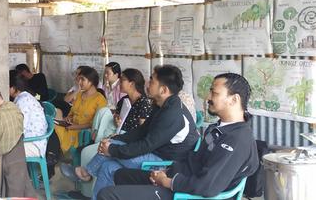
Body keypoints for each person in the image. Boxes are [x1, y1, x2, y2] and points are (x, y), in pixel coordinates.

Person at [99, 73, 259, 200]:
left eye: (214, 93)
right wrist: (164, 171)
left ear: (234, 100)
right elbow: (194, 161)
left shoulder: (237, 140)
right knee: (115, 172)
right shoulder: (217, 128)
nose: (208, 98)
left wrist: (167, 181)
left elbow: (208, 186)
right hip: (177, 177)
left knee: (107, 195)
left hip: (187, 194)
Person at [74, 65, 199, 200]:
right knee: (107, 166)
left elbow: (147, 144)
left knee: (110, 147)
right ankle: (89, 180)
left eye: (152, 81)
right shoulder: (162, 104)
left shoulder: (173, 114)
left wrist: (112, 149)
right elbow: (142, 131)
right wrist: (118, 138)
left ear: (163, 90)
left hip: (164, 163)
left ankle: (86, 172)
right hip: (156, 152)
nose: (147, 83)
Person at [60, 68, 154, 184]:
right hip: (118, 135)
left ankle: (84, 174)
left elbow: (143, 130)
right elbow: (116, 118)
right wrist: (116, 119)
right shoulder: (123, 100)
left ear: (132, 83)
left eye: (122, 80)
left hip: (130, 140)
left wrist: (121, 137)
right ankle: (84, 180)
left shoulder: (144, 103)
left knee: (96, 150)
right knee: (97, 148)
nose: (119, 82)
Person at [53, 66, 107, 154]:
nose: (79, 82)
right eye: (79, 79)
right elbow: (72, 113)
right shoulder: (79, 94)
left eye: (82, 80)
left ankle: (53, 155)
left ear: (91, 82)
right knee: (52, 124)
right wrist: (68, 118)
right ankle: (53, 155)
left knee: (55, 131)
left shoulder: (100, 99)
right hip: (70, 126)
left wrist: (75, 127)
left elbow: (96, 123)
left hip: (81, 132)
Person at [9, 70, 48, 157]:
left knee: (2, 151)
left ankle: (18, 171)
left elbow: (20, 128)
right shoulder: (23, 97)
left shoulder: (23, 101)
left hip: (33, 144)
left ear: (13, 87)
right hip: (30, 141)